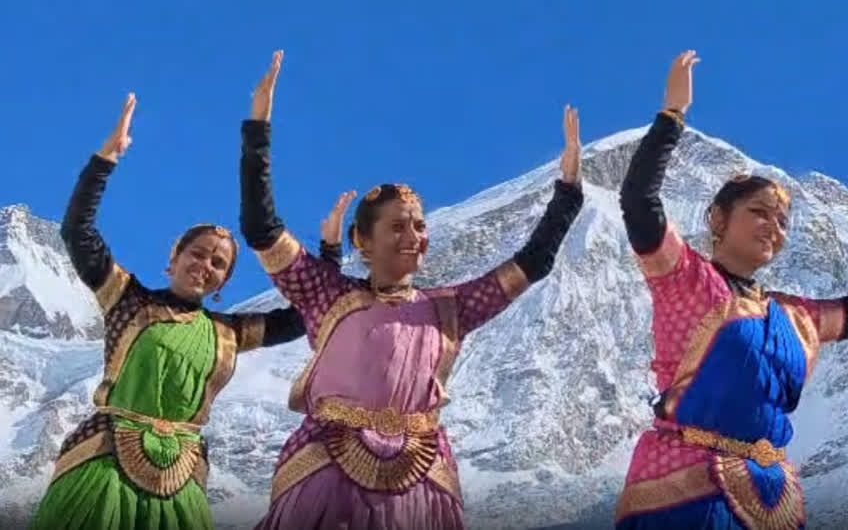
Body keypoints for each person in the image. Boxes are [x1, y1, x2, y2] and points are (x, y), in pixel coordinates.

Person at [238, 51, 585, 529]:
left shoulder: (450, 310)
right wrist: (258, 130)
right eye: (398, 226)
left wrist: (568, 190)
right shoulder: (328, 294)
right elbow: (262, 229)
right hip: (327, 474)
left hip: (420, 483)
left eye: (420, 226)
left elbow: (533, 262)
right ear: (362, 240)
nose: (414, 236)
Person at [614, 51, 848, 529]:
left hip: (770, 494)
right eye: (759, 212)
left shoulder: (793, 317)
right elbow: (639, 201)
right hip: (681, 489)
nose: (773, 227)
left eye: (782, 222)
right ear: (719, 219)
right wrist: (672, 115)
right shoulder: (686, 277)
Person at [31, 93, 307, 530]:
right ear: (173, 258)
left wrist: (331, 254)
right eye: (197, 253)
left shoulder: (228, 334)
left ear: (224, 283)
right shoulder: (129, 300)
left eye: (218, 263)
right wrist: (105, 160)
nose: (205, 265)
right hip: (103, 467)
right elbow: (77, 230)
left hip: (180, 481)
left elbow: (303, 316)